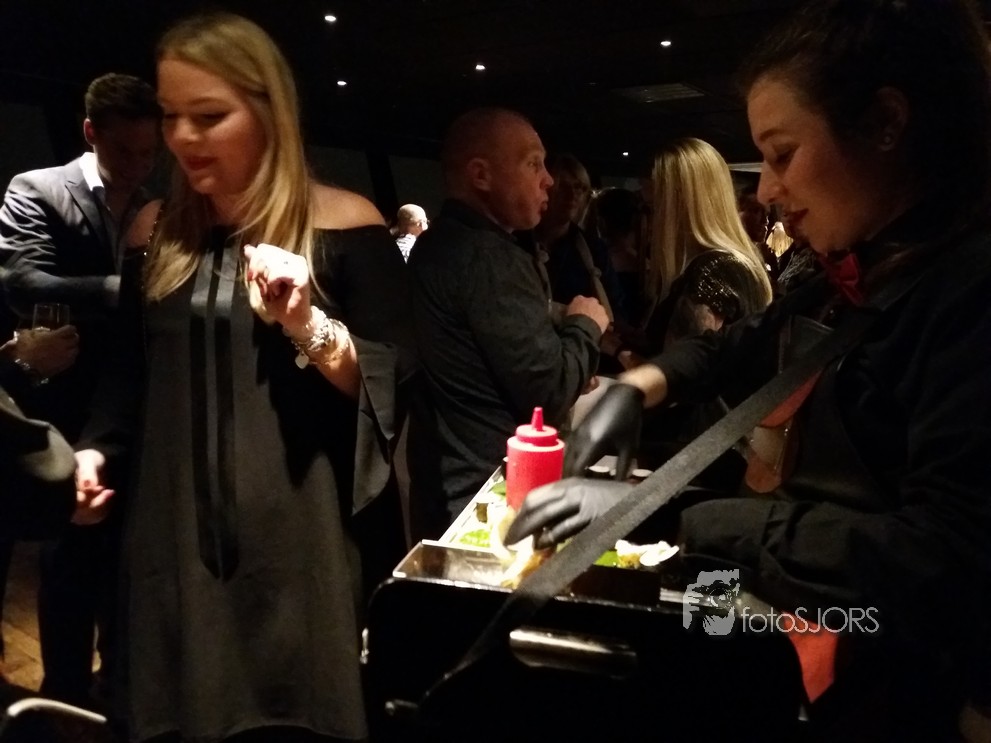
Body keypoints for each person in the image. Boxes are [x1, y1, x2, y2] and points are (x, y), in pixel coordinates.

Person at [507, 0, 991, 738]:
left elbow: (946, 558)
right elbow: (729, 347)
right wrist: (637, 387)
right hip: (789, 593)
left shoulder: (969, 290)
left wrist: (681, 516)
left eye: (781, 153)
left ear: (886, 124)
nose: (764, 190)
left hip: (881, 655)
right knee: (661, 667)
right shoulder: (849, 266)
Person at [75, 12, 412, 742]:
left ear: (268, 113)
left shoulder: (345, 224)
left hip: (302, 546)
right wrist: (95, 450)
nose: (182, 137)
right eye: (171, 116)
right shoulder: (154, 230)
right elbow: (127, 377)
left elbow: (395, 383)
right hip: (171, 540)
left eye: (209, 116)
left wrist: (305, 323)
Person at [0, 72, 160, 708]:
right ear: (91, 131)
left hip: (132, 404)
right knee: (68, 559)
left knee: (125, 559)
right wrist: (130, 292)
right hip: (60, 397)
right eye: (125, 150)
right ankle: (63, 696)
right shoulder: (37, 188)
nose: (138, 165)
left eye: (149, 153)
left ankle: (117, 690)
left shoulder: (152, 204)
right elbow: (24, 283)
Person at [408, 108, 608, 529]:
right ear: (481, 176)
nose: (548, 180)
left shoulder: (434, 243)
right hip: (498, 492)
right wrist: (585, 325)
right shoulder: (490, 256)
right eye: (533, 164)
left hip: (444, 483)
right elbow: (550, 392)